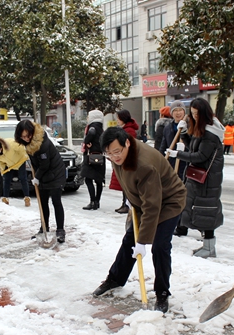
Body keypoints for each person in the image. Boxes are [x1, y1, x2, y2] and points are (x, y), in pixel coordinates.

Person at [92, 127, 186, 313]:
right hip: (146, 200)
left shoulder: (144, 164)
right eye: (108, 154)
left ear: (127, 142)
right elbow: (129, 180)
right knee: (129, 241)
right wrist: (130, 197)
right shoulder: (118, 155)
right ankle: (115, 279)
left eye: (117, 152)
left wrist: (143, 241)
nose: (114, 157)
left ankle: (162, 292)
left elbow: (152, 206)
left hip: (169, 202)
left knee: (159, 246)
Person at [167, 98, 225, 257]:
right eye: (192, 114)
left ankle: (209, 248)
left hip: (208, 180)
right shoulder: (202, 129)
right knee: (200, 210)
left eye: (197, 114)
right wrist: (185, 133)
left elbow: (200, 156)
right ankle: (207, 247)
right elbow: (193, 146)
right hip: (200, 178)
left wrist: (177, 154)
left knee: (206, 210)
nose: (194, 117)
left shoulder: (210, 134)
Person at [15, 119, 67, 243]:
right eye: (23, 137)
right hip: (44, 174)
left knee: (56, 201)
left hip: (55, 173)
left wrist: (37, 177)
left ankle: (60, 230)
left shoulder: (42, 143)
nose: (26, 139)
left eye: (28, 136)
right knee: (42, 202)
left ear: (32, 132)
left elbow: (45, 164)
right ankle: (44, 227)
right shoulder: (28, 144)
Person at [109, 109, 139, 214]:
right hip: (123, 158)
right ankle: (124, 204)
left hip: (126, 159)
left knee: (127, 184)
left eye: (118, 118)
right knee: (124, 183)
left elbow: (128, 146)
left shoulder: (129, 130)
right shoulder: (125, 129)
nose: (117, 120)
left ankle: (127, 205)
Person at [0, 136, 31, 207]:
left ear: (1, 148)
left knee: (23, 178)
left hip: (20, 160)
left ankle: (27, 198)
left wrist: (26, 155)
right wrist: (0, 171)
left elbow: (22, 149)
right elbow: (0, 163)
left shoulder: (11, 144)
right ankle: (5, 198)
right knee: (6, 179)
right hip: (9, 164)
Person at [80, 110, 106, 210]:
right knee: (99, 180)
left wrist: (86, 142)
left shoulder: (92, 127)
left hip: (91, 156)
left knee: (88, 179)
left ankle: (92, 201)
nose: (87, 118)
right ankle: (97, 202)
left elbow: (91, 134)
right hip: (100, 156)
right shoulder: (101, 128)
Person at [159, 101, 188, 179]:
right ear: (171, 113)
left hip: (186, 162)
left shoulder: (190, 126)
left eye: (180, 110)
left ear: (184, 112)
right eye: (175, 110)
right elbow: (163, 146)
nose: (178, 113)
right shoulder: (168, 128)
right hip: (172, 162)